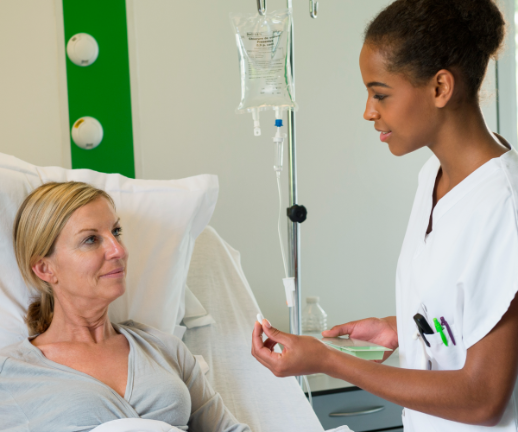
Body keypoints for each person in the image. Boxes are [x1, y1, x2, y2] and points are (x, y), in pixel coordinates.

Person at [252, 0, 518, 430]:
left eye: (380, 94)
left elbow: (483, 398)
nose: (369, 111)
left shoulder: (503, 207)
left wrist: (331, 362)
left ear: (440, 88)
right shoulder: (434, 176)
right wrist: (402, 330)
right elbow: (470, 311)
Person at [0, 181, 250, 432]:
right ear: (45, 268)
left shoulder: (164, 348)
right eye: (90, 239)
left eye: (116, 232)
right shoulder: (11, 372)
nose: (118, 250)